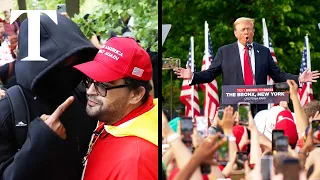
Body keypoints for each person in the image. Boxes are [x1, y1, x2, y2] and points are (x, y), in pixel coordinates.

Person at [0, 13, 99, 179]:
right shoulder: (7, 111)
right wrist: (40, 142)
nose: (71, 69)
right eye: (62, 62)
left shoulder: (84, 95)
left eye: (76, 60)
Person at [174, 17, 320, 114]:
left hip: (259, 107)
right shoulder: (224, 52)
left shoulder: (263, 51)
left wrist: (299, 79)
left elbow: (278, 75)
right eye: (243, 29)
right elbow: (210, 74)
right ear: (236, 33)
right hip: (234, 107)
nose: (246, 32)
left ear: (253, 32)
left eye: (249, 29)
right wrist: (192, 76)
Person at [73, 37, 158, 180]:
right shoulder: (113, 117)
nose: (90, 91)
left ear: (136, 94)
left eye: (103, 86)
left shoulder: (136, 163)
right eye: (90, 81)